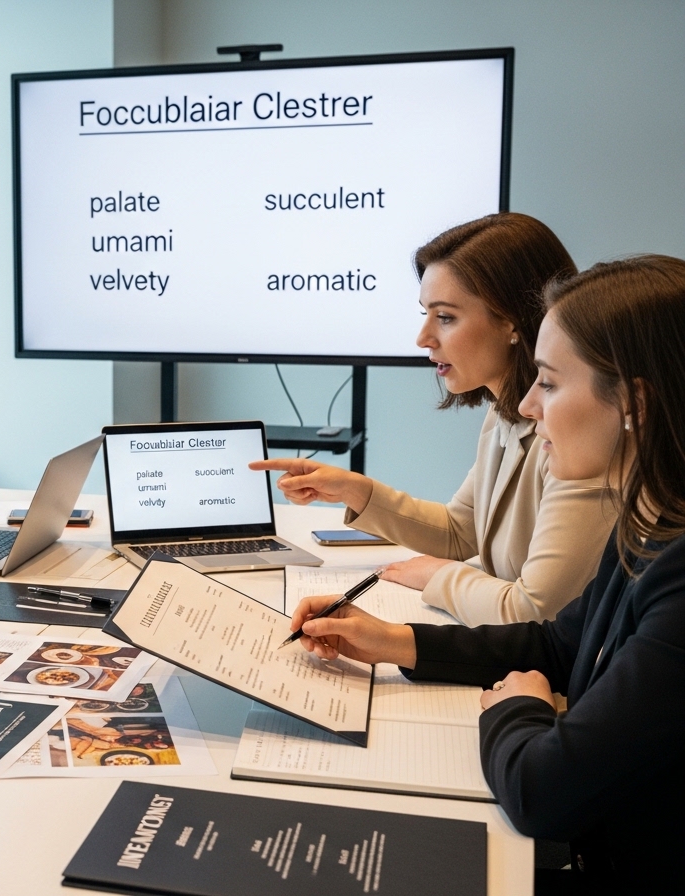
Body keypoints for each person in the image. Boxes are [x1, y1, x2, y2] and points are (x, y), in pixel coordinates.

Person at [287, 256, 685, 892]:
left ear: (634, 403)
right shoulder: (651, 523)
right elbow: (559, 642)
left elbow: (541, 791)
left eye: (550, 384)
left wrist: (518, 710)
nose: (528, 404)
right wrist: (395, 642)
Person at [252, 213, 615, 625]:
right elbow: (460, 532)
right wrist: (354, 490)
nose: (423, 338)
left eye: (445, 317)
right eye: (426, 314)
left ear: (512, 320)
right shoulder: (504, 415)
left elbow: (536, 610)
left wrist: (440, 576)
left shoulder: (578, 439)